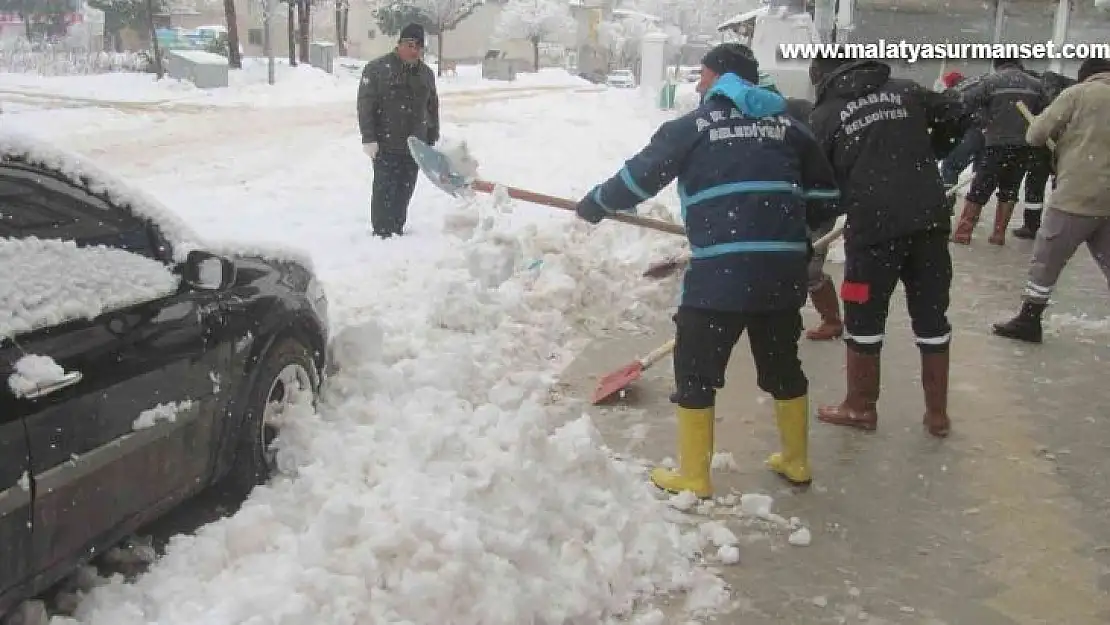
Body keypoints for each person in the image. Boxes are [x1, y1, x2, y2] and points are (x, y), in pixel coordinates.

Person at [575, 43, 840, 497]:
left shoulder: (691, 128)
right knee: (782, 366)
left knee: (695, 369)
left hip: (721, 274)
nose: (697, 84)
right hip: (781, 274)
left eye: (702, 74)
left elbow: (639, 178)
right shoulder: (790, 127)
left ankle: (694, 477)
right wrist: (783, 234)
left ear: (721, 78)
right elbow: (824, 200)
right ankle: (796, 462)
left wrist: (596, 203)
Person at [807, 54, 968, 439]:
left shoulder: (826, 115)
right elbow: (958, 113)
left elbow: (820, 185)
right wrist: (931, 152)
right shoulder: (906, 91)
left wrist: (845, 199)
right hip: (928, 220)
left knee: (862, 314)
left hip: (872, 232)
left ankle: (861, 407)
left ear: (822, 77)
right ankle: (937, 415)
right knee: (931, 315)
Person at [992, 58, 1110, 344]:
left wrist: (1068, 135)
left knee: (1048, 257)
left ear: (1085, 76)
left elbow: (1035, 134)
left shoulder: (1077, 94)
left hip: (1077, 193)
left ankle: (1029, 319)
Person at [761, 80, 844, 340]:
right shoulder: (759, 123)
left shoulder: (801, 117)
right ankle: (776, 318)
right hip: (786, 203)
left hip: (817, 202)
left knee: (808, 268)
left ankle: (832, 320)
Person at [357, 23, 439, 238]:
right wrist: (369, 138)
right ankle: (382, 233)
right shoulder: (377, 69)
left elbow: (432, 109)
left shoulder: (426, 74)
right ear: (400, 44)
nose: (414, 51)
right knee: (385, 191)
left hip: (415, 147)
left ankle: (397, 231)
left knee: (404, 193)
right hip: (386, 144)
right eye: (410, 45)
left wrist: (431, 139)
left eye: (419, 47)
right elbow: (365, 106)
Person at [951, 58, 1046, 246]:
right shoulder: (1036, 84)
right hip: (1023, 146)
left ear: (998, 65)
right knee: (1009, 190)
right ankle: (998, 235)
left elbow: (965, 103)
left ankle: (963, 233)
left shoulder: (990, 82)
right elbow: (1046, 112)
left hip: (996, 144)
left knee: (979, 188)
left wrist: (981, 121)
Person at [1012, 69, 1077, 240]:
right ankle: (1059, 228)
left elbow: (1052, 110)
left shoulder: (1048, 82)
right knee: (1059, 184)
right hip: (1063, 143)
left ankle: (1034, 226)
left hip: (1052, 142)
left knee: (1038, 182)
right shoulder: (1073, 88)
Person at [938, 71, 986, 212]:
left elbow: (953, 118)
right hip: (992, 132)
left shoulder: (955, 92)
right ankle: (974, 208)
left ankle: (947, 204)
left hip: (974, 129)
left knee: (950, 165)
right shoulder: (980, 82)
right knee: (980, 173)